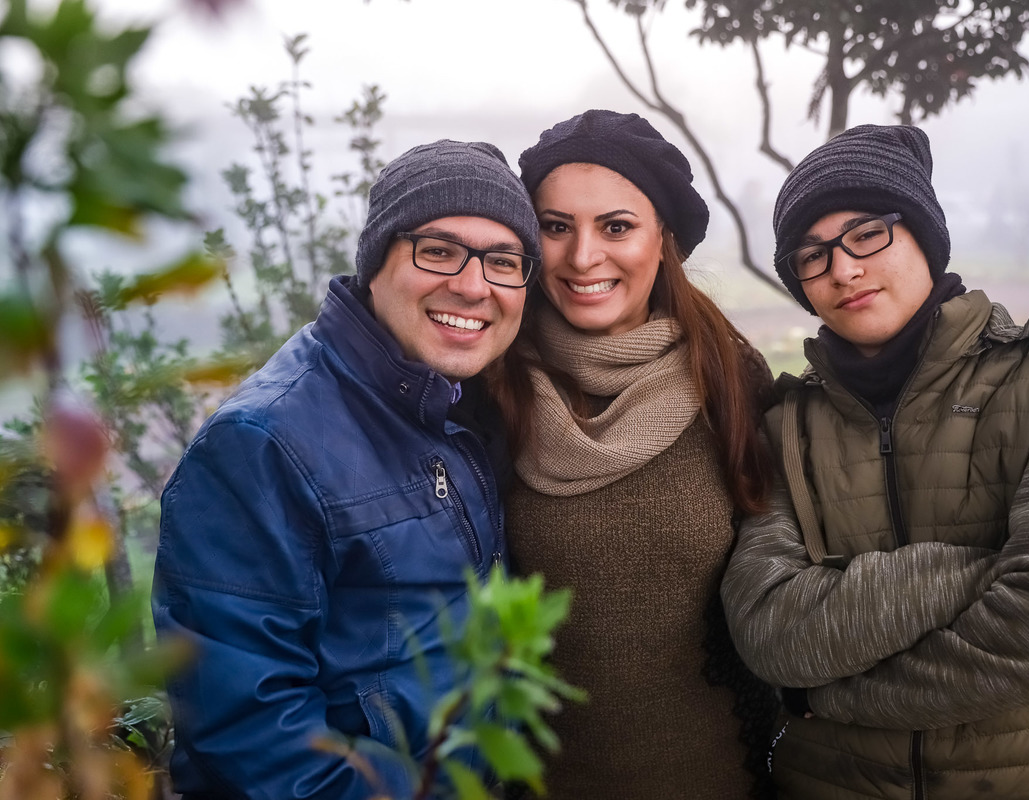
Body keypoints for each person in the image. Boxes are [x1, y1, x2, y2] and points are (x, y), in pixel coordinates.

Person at [721, 124, 1029, 800]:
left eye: (866, 235)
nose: (843, 269)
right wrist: (974, 573)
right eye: (812, 254)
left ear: (922, 234)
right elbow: (769, 630)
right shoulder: (785, 425)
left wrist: (823, 696)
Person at [152, 140, 541, 800]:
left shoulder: (453, 405)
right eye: (439, 251)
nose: (474, 285)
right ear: (375, 260)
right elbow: (254, 735)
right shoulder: (264, 442)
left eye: (502, 261)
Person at [487, 109, 778, 800]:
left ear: (664, 240)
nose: (583, 256)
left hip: (726, 780)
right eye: (556, 227)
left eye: (616, 226)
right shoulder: (490, 384)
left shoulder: (731, 380)